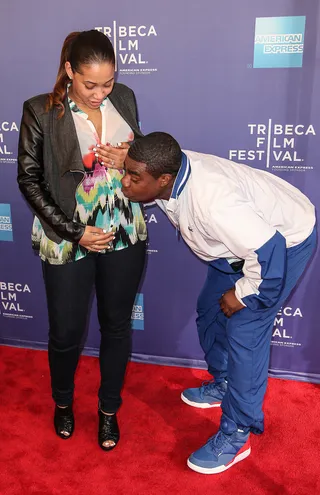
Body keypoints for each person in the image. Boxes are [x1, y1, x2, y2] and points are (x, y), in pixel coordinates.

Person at [120, 132, 316, 474]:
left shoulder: (214, 202)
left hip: (281, 244)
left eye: (134, 177)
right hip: (237, 246)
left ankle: (237, 432)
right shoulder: (163, 168)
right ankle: (224, 381)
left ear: (163, 179)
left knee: (245, 333)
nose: (125, 182)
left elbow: (268, 254)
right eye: (127, 171)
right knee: (210, 310)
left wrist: (242, 294)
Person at [17, 30, 147, 451]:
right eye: (90, 83)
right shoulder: (41, 110)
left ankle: (109, 410)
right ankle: (63, 403)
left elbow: (141, 156)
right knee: (66, 332)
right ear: (69, 70)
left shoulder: (123, 97)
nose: (100, 92)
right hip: (68, 235)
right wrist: (76, 232)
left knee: (116, 326)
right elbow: (30, 181)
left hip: (124, 230)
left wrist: (128, 158)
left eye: (107, 82)